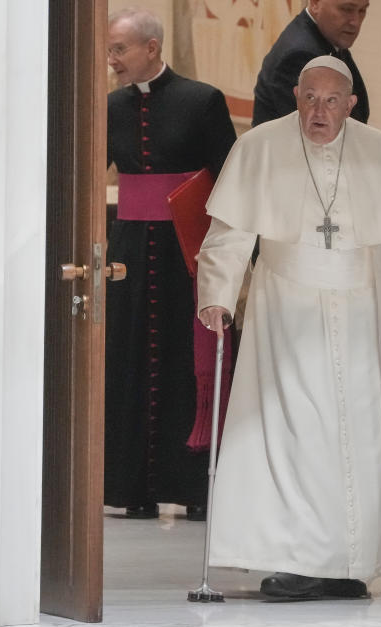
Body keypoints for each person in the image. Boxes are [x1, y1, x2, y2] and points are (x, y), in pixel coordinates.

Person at [197, 56, 381, 599]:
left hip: (366, 317)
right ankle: (301, 558)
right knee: (294, 437)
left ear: (351, 105)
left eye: (331, 101)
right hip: (284, 315)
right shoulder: (258, 148)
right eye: (309, 98)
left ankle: (351, 561)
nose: (318, 112)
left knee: (363, 437)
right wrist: (216, 296)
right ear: (296, 98)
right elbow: (229, 232)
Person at [105, 8, 236, 521]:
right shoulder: (112, 106)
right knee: (129, 358)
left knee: (187, 365)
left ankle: (194, 487)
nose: (112, 60)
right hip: (130, 252)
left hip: (190, 252)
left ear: (152, 48)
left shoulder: (202, 101)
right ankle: (130, 486)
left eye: (119, 49)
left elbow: (228, 179)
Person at [252, 0, 370, 127]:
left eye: (362, 10)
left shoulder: (329, 40)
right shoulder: (299, 55)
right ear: (315, 3)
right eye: (347, 9)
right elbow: (320, 134)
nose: (356, 22)